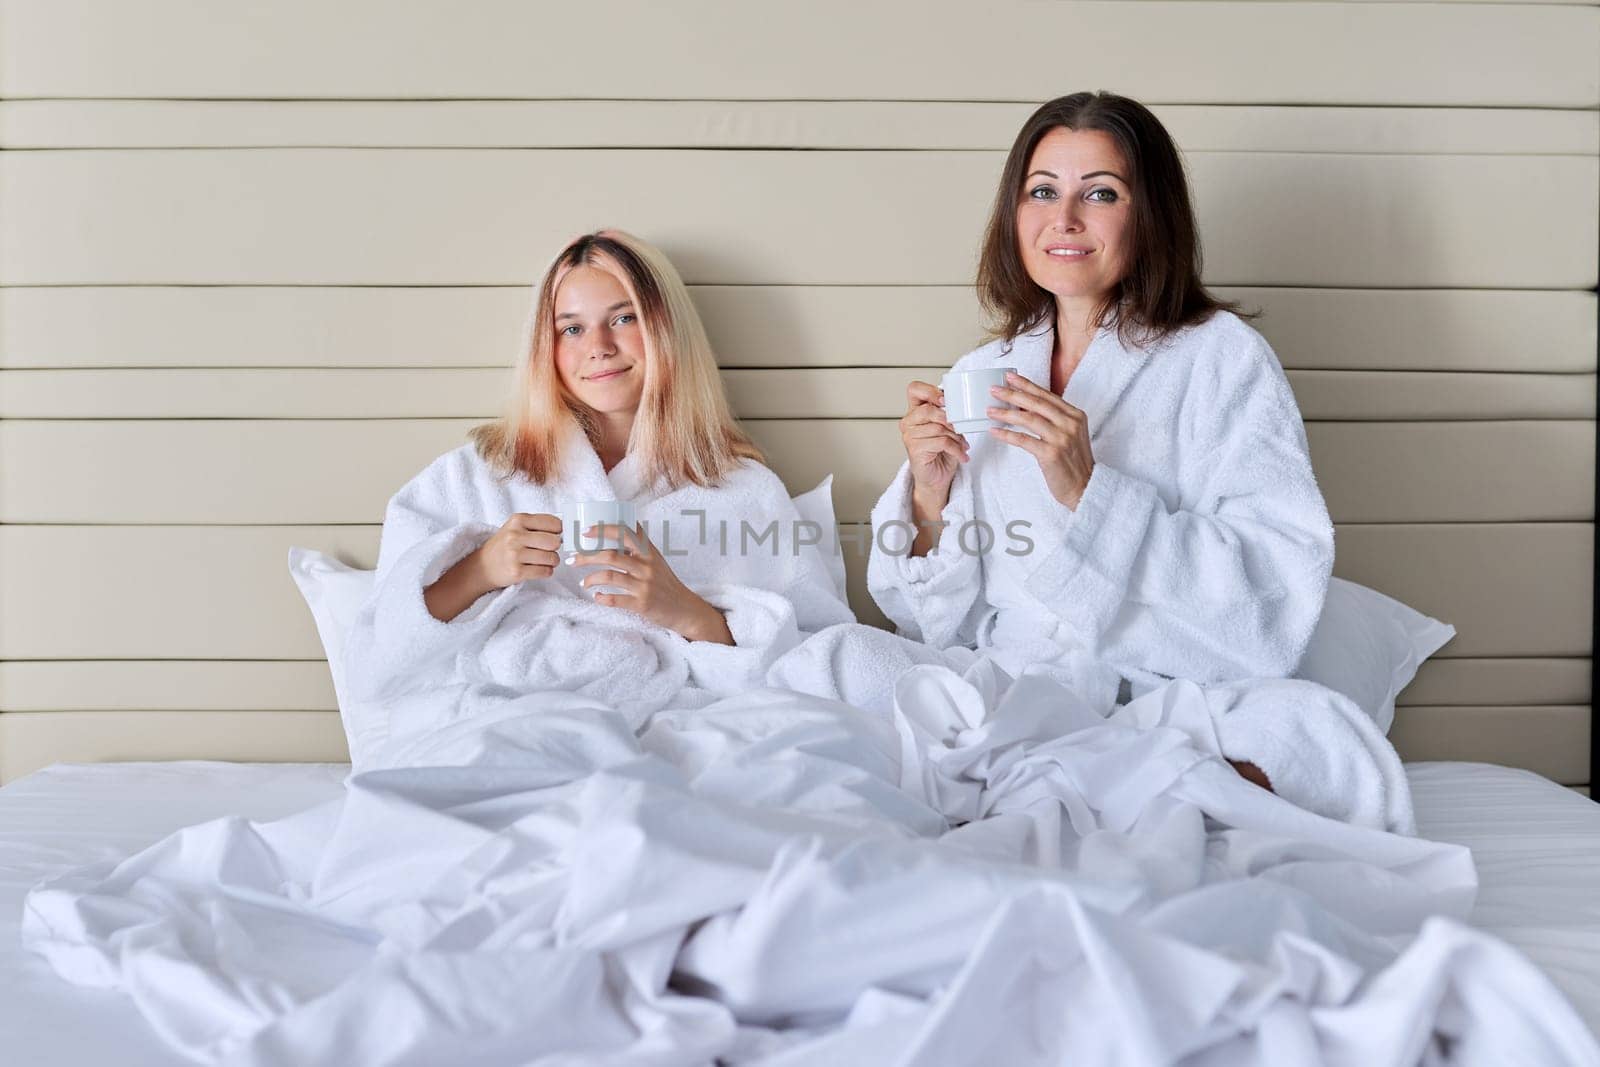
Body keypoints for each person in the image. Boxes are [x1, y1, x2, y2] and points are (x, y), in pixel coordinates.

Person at [866, 92, 1376, 810]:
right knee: (832, 666)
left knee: (1311, 738)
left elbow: (1273, 591)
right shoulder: (984, 372)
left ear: (1150, 213)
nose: (1064, 219)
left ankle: (1115, 784)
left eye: (1099, 193)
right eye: (1042, 191)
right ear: (1014, 214)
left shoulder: (1221, 359)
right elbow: (923, 619)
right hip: (1013, 685)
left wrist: (1088, 491)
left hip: (1162, 692)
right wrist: (929, 494)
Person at [342, 229, 852, 767]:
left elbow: (814, 669)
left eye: (624, 318)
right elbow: (376, 667)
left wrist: (689, 614)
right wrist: (480, 571)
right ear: (547, 349)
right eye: (571, 328)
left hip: (681, 748)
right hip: (504, 740)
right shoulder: (474, 479)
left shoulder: (742, 491)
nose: (599, 347)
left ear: (665, 329)